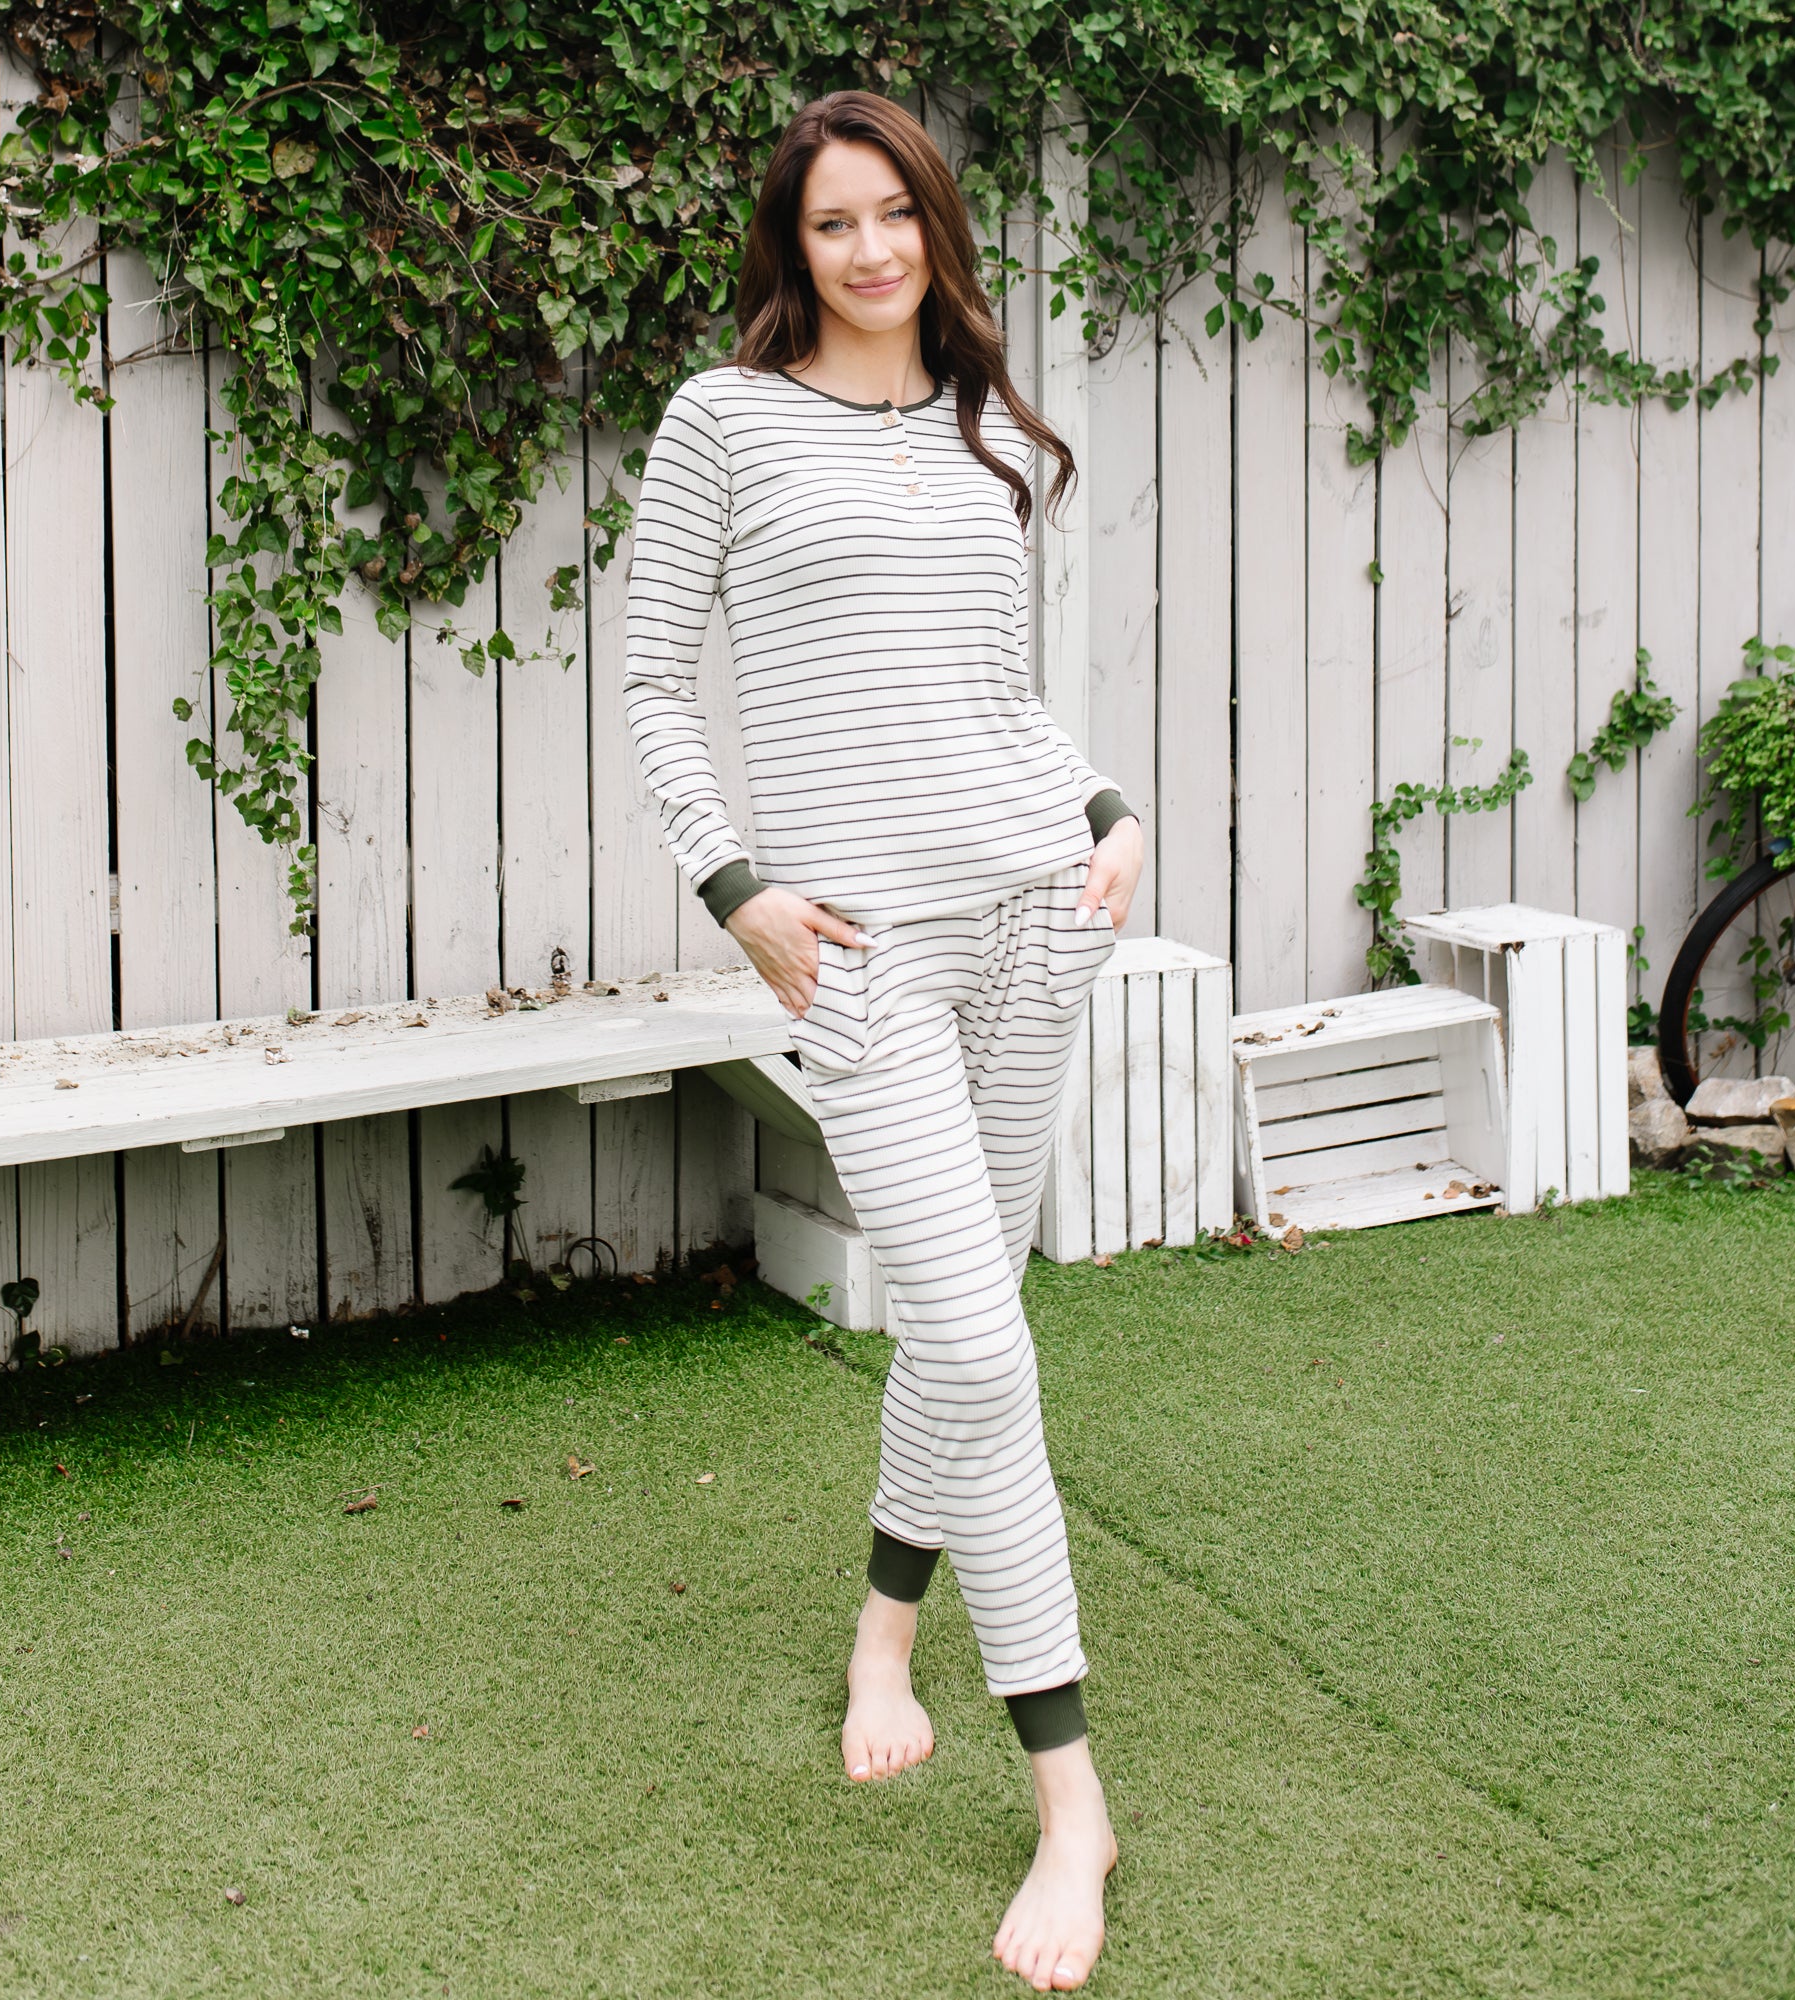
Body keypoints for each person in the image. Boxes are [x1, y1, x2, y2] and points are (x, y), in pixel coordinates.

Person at [621, 87, 1145, 1994]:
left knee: (963, 1312)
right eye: (830, 222)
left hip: (1037, 912)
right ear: (795, 245)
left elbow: (992, 696)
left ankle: (883, 1635)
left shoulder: (982, 426)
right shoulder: (723, 419)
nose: (867, 250)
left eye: (894, 214)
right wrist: (734, 887)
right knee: (984, 1341)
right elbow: (648, 676)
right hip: (857, 954)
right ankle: (1073, 1805)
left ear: (937, 226)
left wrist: (1107, 808)